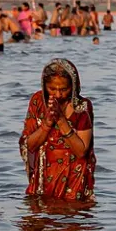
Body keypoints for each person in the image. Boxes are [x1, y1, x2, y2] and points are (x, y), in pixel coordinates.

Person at [19, 59, 96, 202]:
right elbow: (29, 144)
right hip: (44, 178)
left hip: (74, 179)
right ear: (44, 86)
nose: (58, 94)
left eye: (64, 89)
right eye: (52, 89)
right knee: (40, 218)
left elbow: (81, 151)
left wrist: (61, 120)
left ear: (73, 86)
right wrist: (47, 124)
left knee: (73, 219)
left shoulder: (82, 107)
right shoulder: (37, 101)